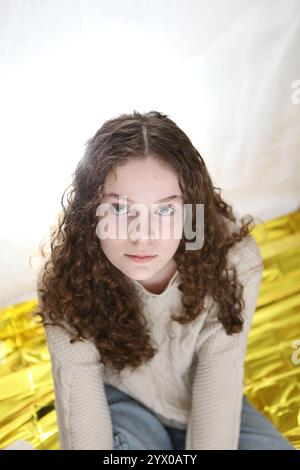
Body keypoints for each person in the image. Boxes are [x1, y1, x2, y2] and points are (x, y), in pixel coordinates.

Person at [35, 110, 295, 450]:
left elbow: (219, 377)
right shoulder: (64, 279)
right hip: (122, 404)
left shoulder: (234, 262)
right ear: (90, 212)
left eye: (165, 211)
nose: (143, 237)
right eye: (119, 209)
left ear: (190, 211)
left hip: (201, 397)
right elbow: (82, 412)